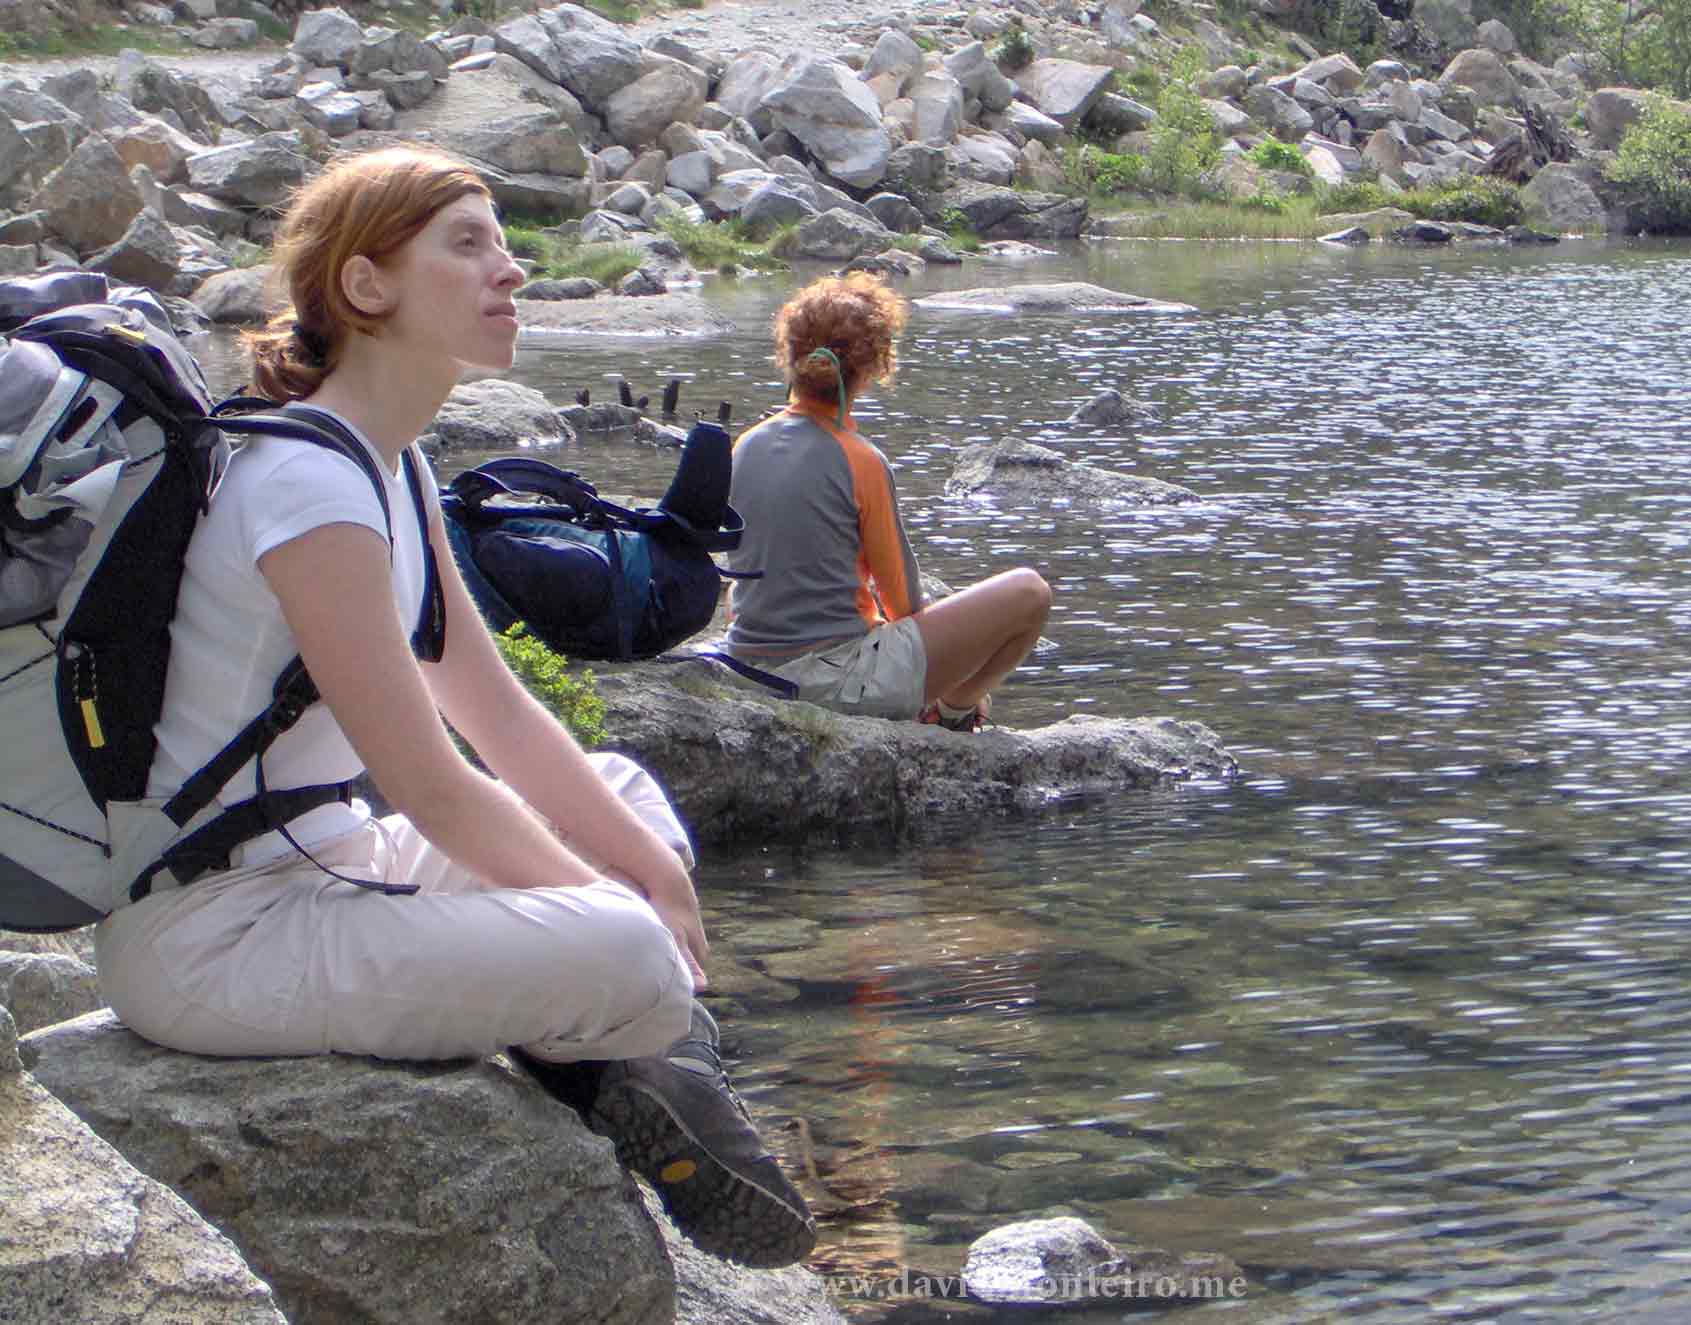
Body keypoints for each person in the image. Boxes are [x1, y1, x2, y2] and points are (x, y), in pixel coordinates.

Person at [87, 147, 815, 1269]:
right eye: (468, 244)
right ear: (365, 285)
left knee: (622, 793)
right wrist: (611, 910)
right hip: (215, 937)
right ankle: (633, 1059)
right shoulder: (305, 485)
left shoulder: (393, 465)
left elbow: (496, 710)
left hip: (334, 869)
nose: (510, 270)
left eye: (504, 244)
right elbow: (428, 781)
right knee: (625, 943)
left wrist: (652, 871)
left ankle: (624, 1057)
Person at [723, 272, 1052, 730]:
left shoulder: (745, 445)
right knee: (1030, 592)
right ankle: (954, 710)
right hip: (832, 682)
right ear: (873, 366)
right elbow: (903, 603)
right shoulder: (860, 459)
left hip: (746, 666)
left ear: (790, 354)